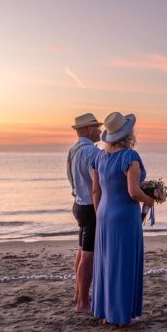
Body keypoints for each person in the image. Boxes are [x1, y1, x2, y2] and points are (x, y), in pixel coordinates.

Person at [90, 112, 155, 325]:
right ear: (128, 134)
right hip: (124, 216)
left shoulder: (99, 157)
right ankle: (121, 315)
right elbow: (133, 192)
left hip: (103, 214)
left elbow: (95, 191)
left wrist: (100, 213)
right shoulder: (130, 157)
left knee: (106, 262)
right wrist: (149, 200)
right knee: (123, 263)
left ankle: (107, 313)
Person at [67, 113, 103, 313]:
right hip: (90, 206)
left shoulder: (73, 151)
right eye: (96, 127)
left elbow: (71, 179)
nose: (99, 130)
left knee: (82, 249)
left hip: (79, 205)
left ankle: (78, 293)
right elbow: (99, 184)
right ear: (88, 129)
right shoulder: (92, 152)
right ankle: (83, 303)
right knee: (88, 254)